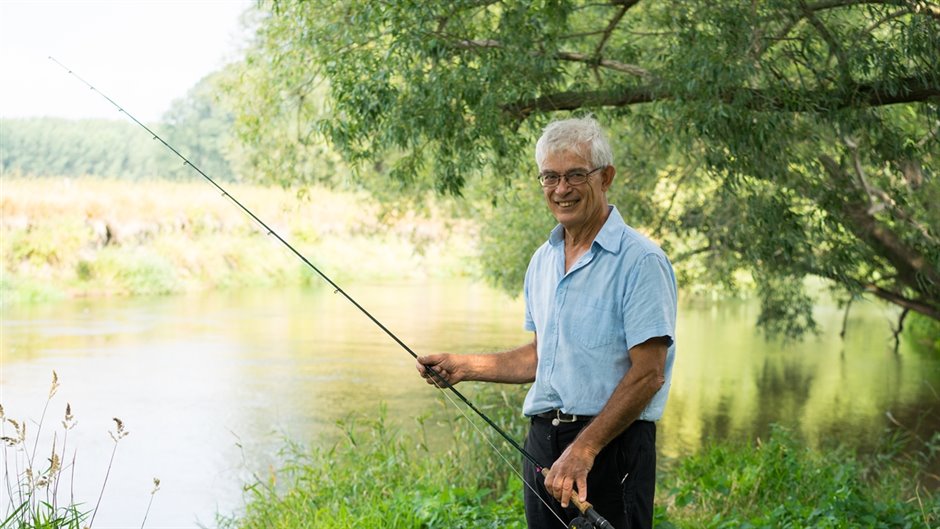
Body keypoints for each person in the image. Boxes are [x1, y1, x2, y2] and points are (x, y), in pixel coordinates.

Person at [416, 116, 677, 529]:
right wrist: (465, 366)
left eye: (575, 175)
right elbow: (542, 357)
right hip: (543, 443)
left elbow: (648, 375)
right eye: (550, 177)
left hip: (611, 447)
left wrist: (584, 449)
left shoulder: (641, 262)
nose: (561, 189)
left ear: (605, 177)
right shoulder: (543, 259)